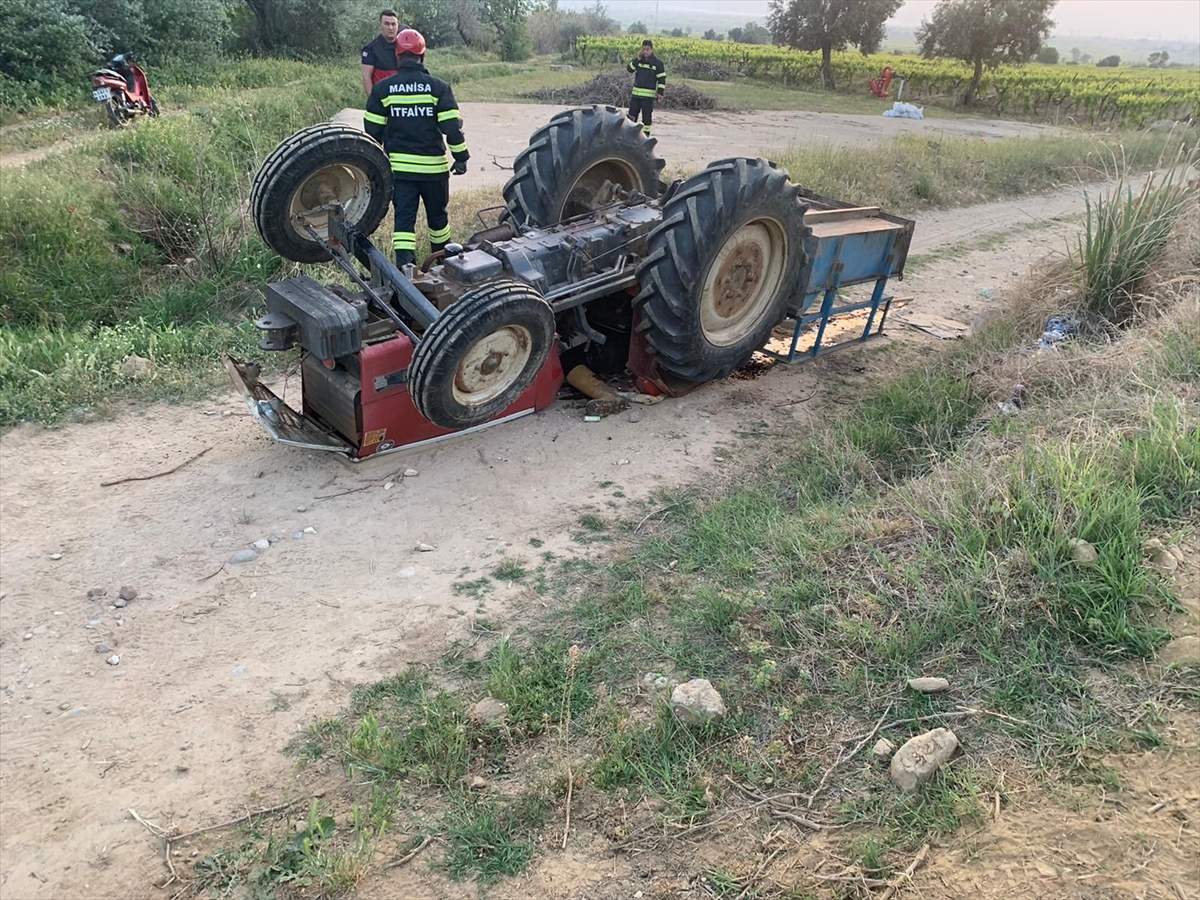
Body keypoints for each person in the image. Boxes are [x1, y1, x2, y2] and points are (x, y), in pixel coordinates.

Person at [364, 28, 470, 268]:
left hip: (400, 173)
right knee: (438, 220)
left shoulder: (382, 89)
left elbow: (372, 135)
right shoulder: (438, 88)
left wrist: (372, 172)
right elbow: (452, 128)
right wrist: (461, 157)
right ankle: (445, 265)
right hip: (434, 171)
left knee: (403, 224)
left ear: (398, 57)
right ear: (423, 56)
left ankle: (405, 270)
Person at [361, 9, 409, 95]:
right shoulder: (371, 49)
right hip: (383, 98)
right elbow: (366, 77)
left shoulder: (406, 46)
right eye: (386, 24)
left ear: (398, 26)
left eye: (393, 24)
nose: (390, 28)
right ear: (380, 25)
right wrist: (373, 101)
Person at [626, 39, 665, 136]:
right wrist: (636, 60)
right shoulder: (639, 61)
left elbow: (662, 79)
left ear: (652, 50)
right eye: (644, 49)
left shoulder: (657, 63)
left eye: (647, 49)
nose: (645, 52)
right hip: (636, 95)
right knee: (631, 117)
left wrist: (660, 93)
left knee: (646, 119)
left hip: (648, 97)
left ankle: (645, 137)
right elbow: (629, 69)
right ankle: (630, 137)